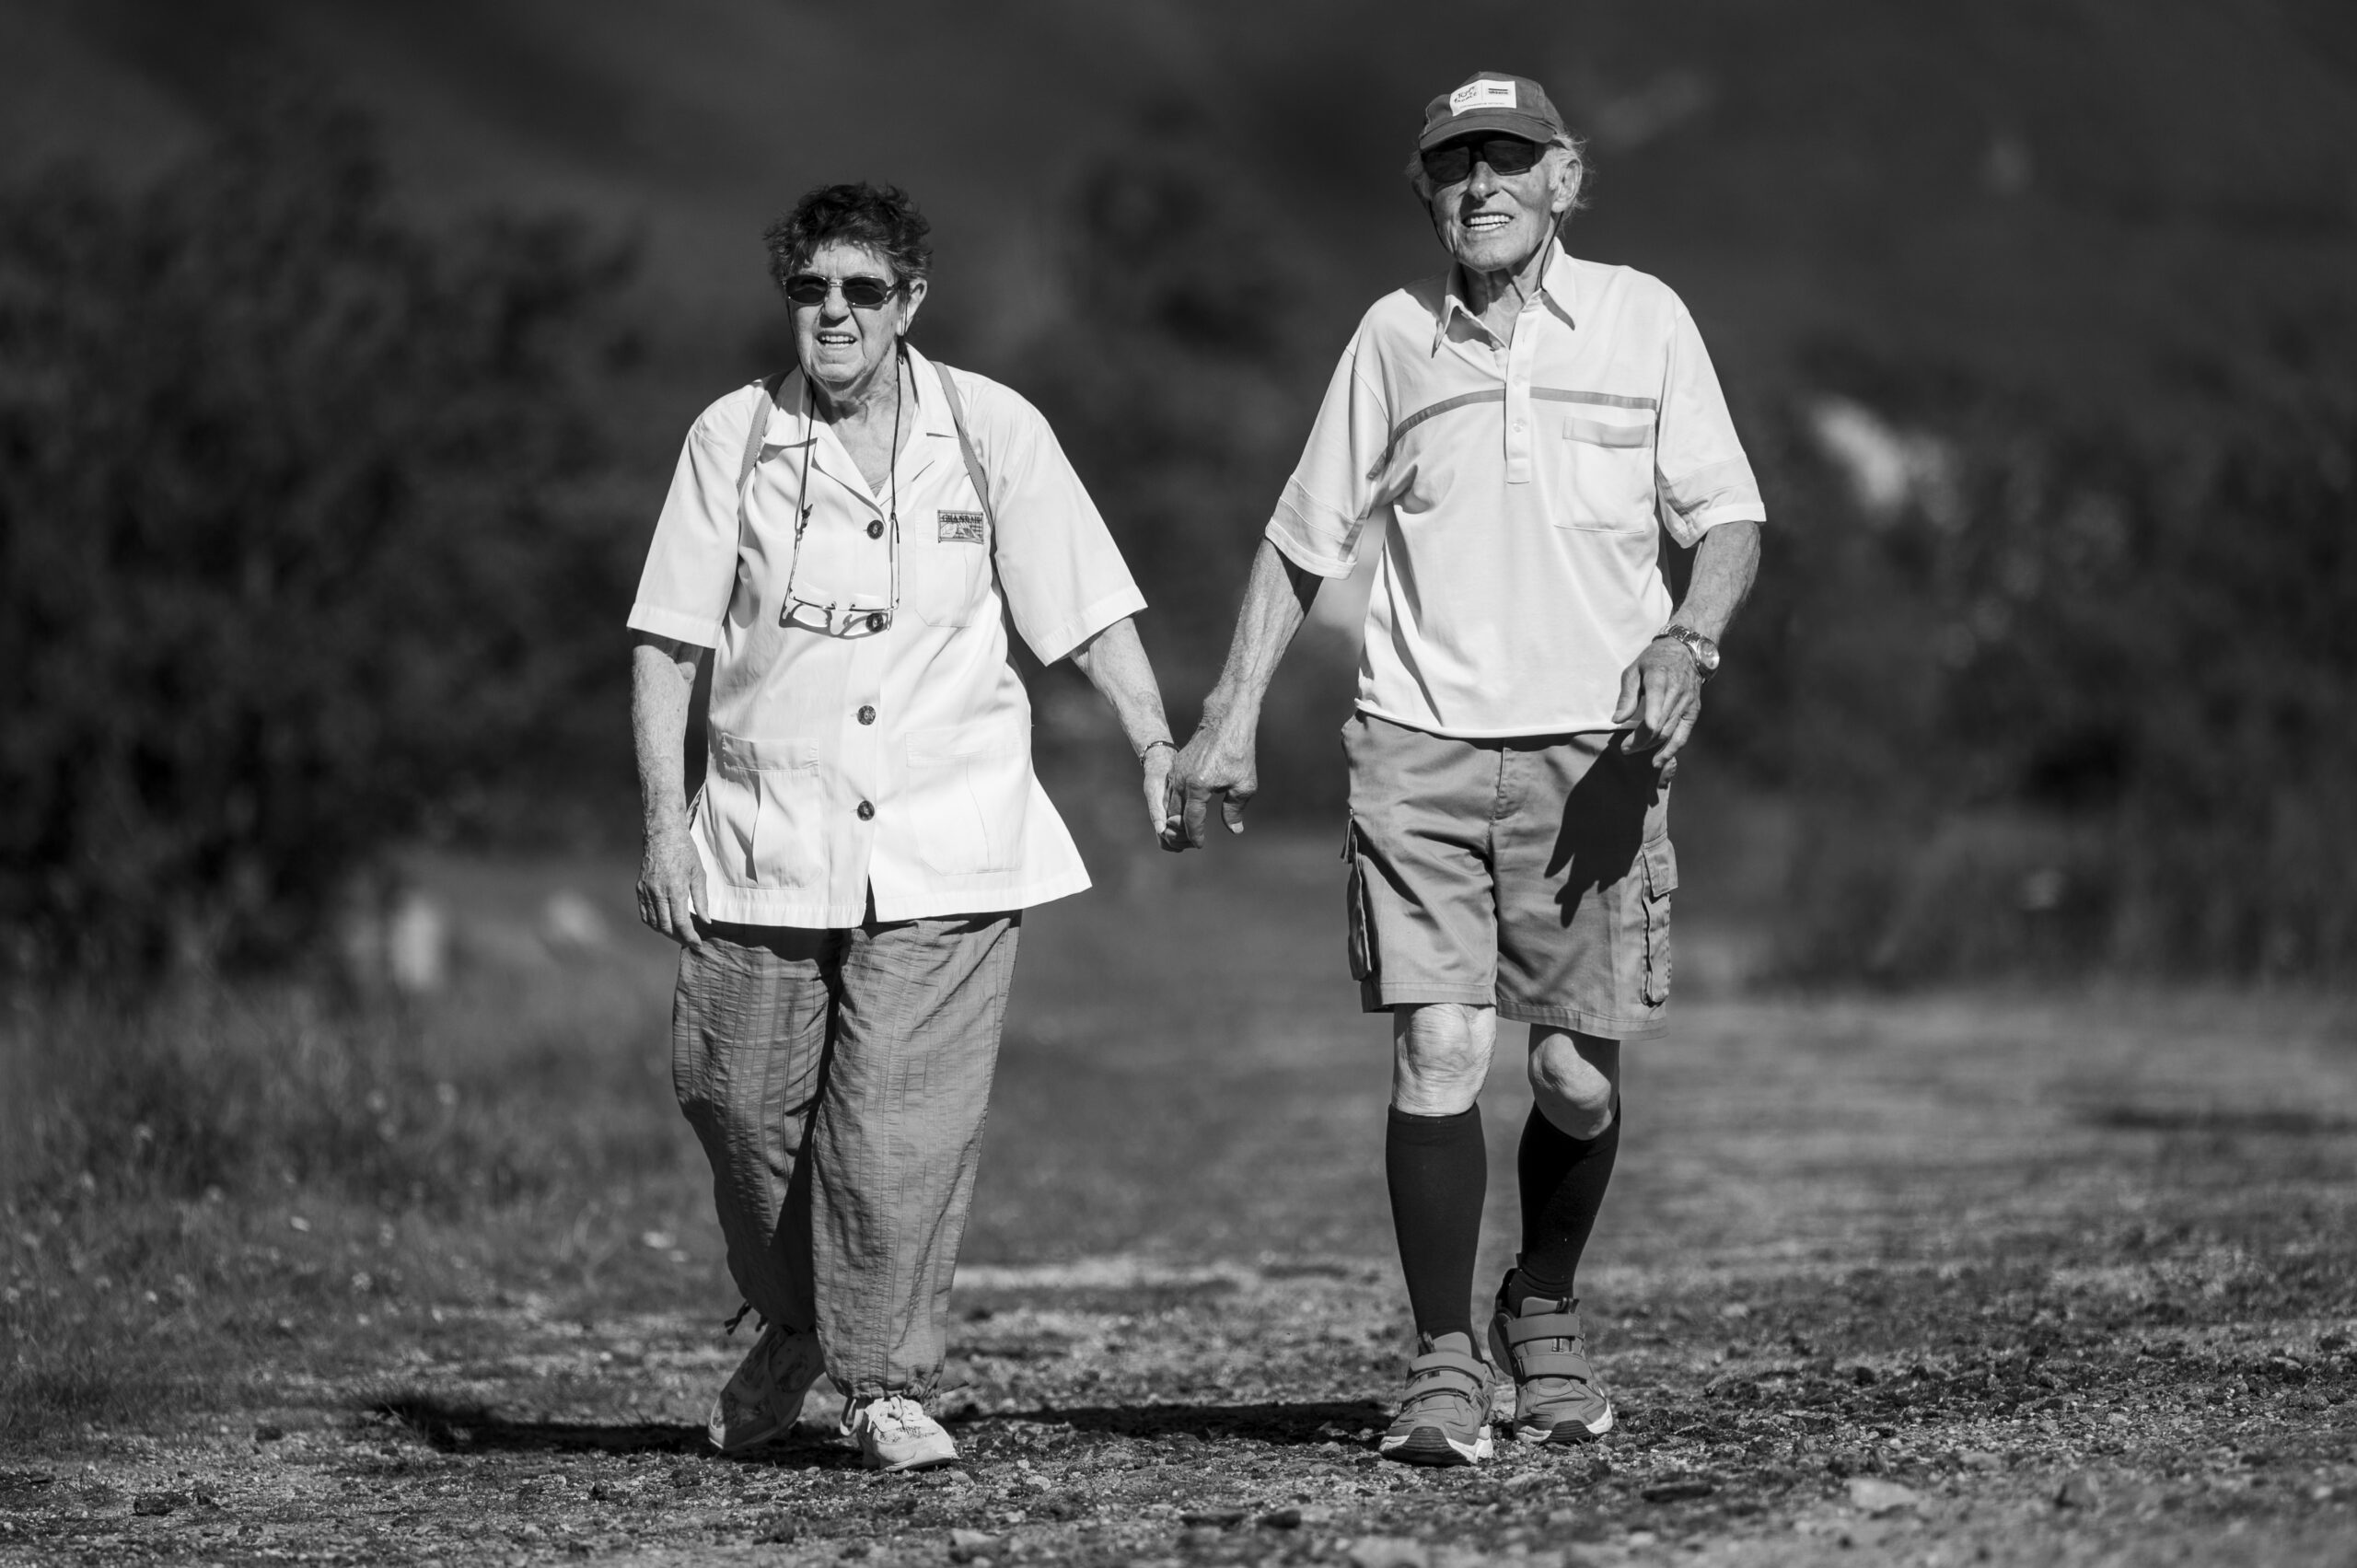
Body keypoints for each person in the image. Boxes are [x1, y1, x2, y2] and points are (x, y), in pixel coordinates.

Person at [1166, 72, 1765, 1467]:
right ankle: (1443, 1364)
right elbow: (1301, 535)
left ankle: (1537, 1309)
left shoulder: (1644, 317)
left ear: (1566, 177)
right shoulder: (1392, 338)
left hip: (1596, 755)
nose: (1479, 186)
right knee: (1441, 1043)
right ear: (1426, 192)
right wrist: (1231, 710)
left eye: (1508, 160)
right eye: (1453, 166)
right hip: (1419, 741)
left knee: (1574, 1080)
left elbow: (1725, 517)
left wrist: (1689, 641)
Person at [629, 182, 1175, 1472]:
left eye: (862, 290)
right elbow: (666, 643)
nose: (833, 313)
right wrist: (665, 823)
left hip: (950, 826)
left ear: (910, 302)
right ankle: (803, 1326)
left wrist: (1157, 740)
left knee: (892, 1133)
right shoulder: (734, 436)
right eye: (812, 289)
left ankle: (880, 1382)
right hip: (765, 831)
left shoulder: (992, 431)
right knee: (730, 1098)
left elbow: (1086, 610)